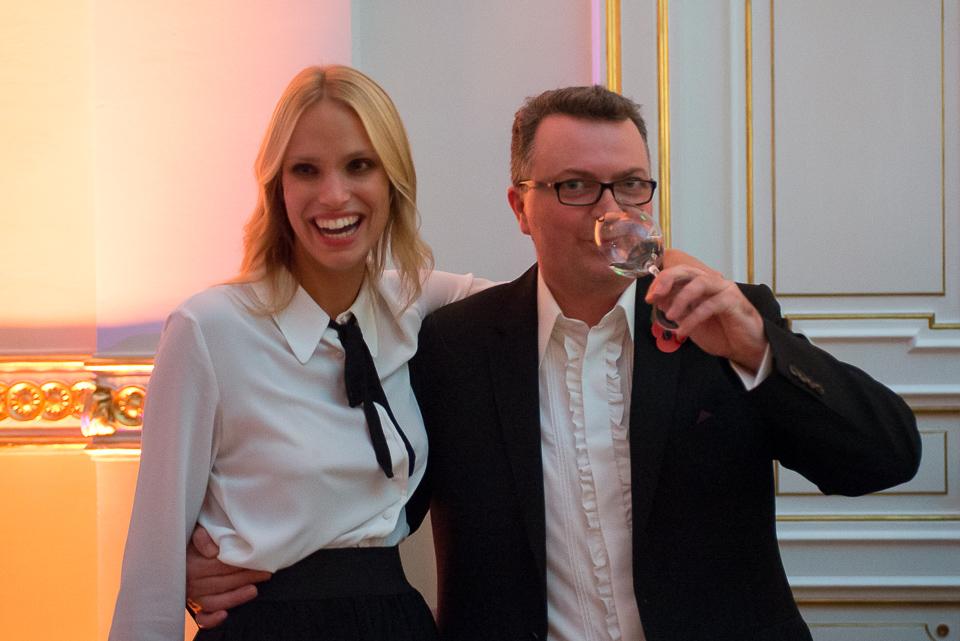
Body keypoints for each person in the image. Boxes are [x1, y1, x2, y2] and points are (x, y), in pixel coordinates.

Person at [184, 85, 921, 641]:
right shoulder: (455, 343)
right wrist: (231, 560)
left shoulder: (721, 324)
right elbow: (364, 487)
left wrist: (758, 348)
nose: (610, 210)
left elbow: (885, 458)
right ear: (520, 207)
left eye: (630, 184)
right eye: (574, 186)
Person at [109, 65, 488, 641]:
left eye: (359, 166)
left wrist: (644, 255)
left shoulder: (414, 302)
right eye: (305, 170)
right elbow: (152, 566)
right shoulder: (208, 329)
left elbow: (551, 299)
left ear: (393, 180)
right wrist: (183, 578)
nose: (334, 195)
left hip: (395, 623)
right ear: (277, 188)